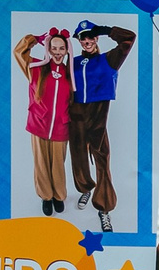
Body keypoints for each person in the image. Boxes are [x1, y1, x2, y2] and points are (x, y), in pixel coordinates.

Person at [69, 19, 138, 231]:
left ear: (96, 37)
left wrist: (108, 30)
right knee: (78, 158)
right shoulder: (72, 62)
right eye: (83, 38)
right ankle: (85, 188)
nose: (87, 41)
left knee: (102, 161)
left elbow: (129, 39)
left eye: (91, 36)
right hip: (76, 116)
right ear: (79, 41)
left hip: (98, 116)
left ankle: (104, 209)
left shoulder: (109, 60)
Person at [13, 27, 74, 215]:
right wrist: (35, 38)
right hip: (39, 124)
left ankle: (58, 195)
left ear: (67, 51)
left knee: (58, 163)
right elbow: (19, 51)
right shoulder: (35, 69)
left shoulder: (71, 73)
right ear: (48, 49)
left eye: (61, 49)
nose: (57, 52)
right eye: (53, 48)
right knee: (41, 163)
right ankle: (46, 197)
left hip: (61, 127)